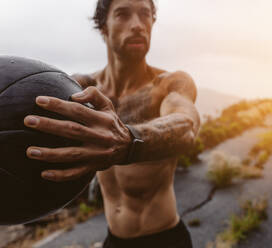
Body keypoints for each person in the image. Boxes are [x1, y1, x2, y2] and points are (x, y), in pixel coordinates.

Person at [23, 0, 200, 247]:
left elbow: (186, 126)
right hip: (113, 239)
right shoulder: (82, 88)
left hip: (165, 237)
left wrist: (129, 140)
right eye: (123, 14)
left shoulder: (169, 84)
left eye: (145, 15)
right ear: (103, 27)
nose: (138, 25)